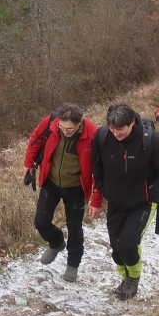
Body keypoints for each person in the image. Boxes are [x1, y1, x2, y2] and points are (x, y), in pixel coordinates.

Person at [89, 103, 159, 300]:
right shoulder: (102, 137)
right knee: (116, 248)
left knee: (127, 243)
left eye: (121, 129)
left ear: (132, 122)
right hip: (115, 203)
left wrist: (151, 192)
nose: (116, 133)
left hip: (143, 203)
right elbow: (97, 168)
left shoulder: (150, 141)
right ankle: (125, 278)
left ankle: (133, 278)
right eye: (112, 128)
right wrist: (103, 191)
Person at [23, 103, 98, 282]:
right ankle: (56, 242)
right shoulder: (51, 122)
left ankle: (73, 264)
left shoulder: (92, 134)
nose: (65, 131)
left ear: (79, 123)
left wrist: (96, 199)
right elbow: (36, 139)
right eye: (61, 127)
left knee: (74, 228)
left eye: (69, 129)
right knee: (40, 222)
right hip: (51, 182)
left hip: (76, 188)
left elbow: (100, 168)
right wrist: (28, 163)